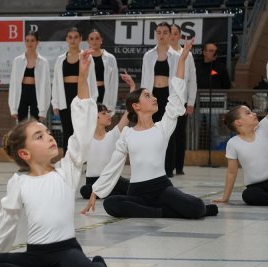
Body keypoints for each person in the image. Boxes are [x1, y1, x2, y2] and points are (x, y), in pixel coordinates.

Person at [0, 50, 107, 267]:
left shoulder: (67, 170)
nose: (50, 137)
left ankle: (84, 266)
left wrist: (82, 77)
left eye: (48, 133)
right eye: (39, 136)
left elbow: (83, 130)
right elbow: (7, 223)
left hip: (66, 250)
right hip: (35, 255)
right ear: (25, 153)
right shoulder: (19, 182)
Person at [81, 38, 219, 219]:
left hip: (161, 187)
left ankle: (162, 211)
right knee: (110, 203)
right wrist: (95, 192)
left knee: (196, 207)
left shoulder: (162, 127)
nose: (154, 98)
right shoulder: (127, 134)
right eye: (148, 96)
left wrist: (182, 60)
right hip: (136, 191)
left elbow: (176, 97)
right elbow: (114, 165)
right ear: (136, 106)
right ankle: (163, 212)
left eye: (153, 96)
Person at [79, 71, 134, 200]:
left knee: (133, 188)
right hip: (93, 181)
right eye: (104, 113)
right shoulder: (86, 137)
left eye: (108, 113)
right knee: (85, 190)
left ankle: (106, 192)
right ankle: (105, 192)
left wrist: (132, 88)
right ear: (94, 117)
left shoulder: (113, 135)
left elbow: (128, 113)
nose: (109, 115)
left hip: (111, 180)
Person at [141, 22, 180, 177]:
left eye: (165, 32)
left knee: (168, 132)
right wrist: (144, 99)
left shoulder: (176, 57)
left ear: (170, 35)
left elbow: (180, 79)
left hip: (169, 96)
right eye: (159, 32)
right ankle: (152, 167)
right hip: (153, 96)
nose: (162, 35)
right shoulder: (148, 55)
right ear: (155, 34)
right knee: (151, 132)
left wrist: (178, 100)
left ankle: (168, 168)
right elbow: (145, 79)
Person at [52, 27, 98, 154]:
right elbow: (56, 83)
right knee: (67, 130)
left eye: (76, 37)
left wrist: (92, 100)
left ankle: (81, 159)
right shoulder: (60, 59)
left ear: (80, 39)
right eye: (70, 37)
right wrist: (55, 103)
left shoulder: (87, 57)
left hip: (81, 95)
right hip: (65, 96)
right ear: (66, 39)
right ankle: (67, 158)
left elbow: (92, 80)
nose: (73, 40)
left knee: (81, 130)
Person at [212, 105, 268, 205]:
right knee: (248, 195)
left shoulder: (263, 128)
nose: (254, 114)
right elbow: (231, 173)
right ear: (238, 122)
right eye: (248, 113)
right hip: (255, 187)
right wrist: (225, 197)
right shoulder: (233, 143)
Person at [168, 24, 197, 176]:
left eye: (175, 33)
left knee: (180, 134)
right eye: (170, 33)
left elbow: (192, 80)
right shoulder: (164, 53)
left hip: (182, 100)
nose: (172, 36)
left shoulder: (188, 55)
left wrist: (190, 102)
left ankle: (179, 167)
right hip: (166, 99)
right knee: (167, 134)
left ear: (179, 35)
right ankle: (167, 167)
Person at [8, 31, 51, 122]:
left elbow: (46, 86)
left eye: (32, 40)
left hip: (36, 93)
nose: (29, 43)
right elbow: (13, 85)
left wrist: (43, 111)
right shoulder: (17, 61)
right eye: (27, 40)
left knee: (35, 123)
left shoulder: (43, 62)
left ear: (37, 42)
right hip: (22, 93)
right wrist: (13, 108)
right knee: (21, 125)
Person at [86, 29, 119, 112]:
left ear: (101, 40)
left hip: (104, 92)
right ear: (88, 41)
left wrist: (111, 104)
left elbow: (113, 82)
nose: (94, 41)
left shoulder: (110, 58)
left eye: (97, 38)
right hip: (88, 92)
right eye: (92, 39)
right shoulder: (83, 57)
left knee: (102, 120)